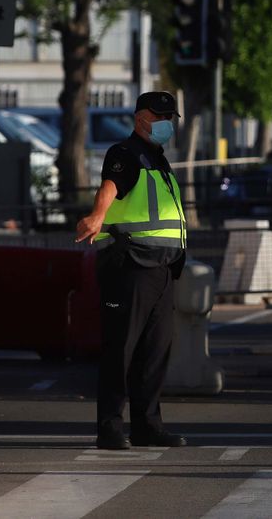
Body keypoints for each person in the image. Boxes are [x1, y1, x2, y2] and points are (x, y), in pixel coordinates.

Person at [74, 91, 189, 451]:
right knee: (120, 350)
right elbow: (110, 186)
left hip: (163, 267)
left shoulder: (158, 159)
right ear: (140, 118)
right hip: (132, 264)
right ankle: (109, 428)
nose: (166, 123)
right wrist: (96, 215)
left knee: (155, 352)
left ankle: (147, 426)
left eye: (170, 117)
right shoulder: (125, 154)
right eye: (159, 116)